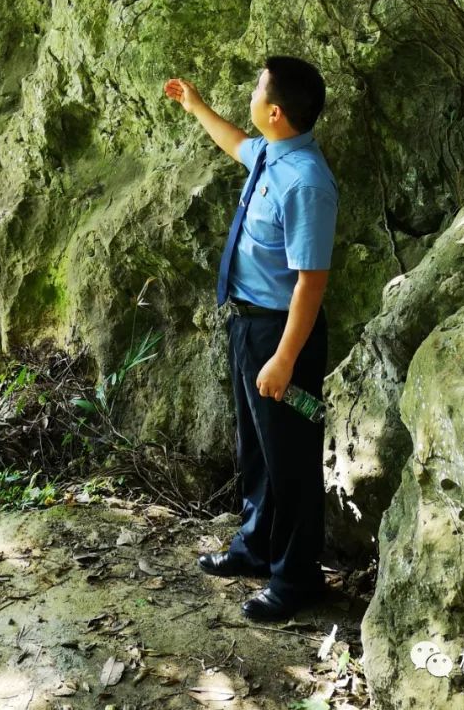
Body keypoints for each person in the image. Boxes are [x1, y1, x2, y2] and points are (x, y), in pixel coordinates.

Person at [163, 55, 337, 623]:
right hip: (247, 325)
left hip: (284, 336)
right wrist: (195, 105)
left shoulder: (307, 182)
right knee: (258, 449)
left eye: (257, 91)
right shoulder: (271, 154)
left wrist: (285, 360)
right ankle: (256, 546)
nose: (251, 97)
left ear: (277, 111)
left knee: (292, 457)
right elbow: (233, 142)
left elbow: (311, 281)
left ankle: (296, 580)